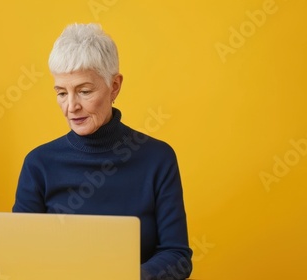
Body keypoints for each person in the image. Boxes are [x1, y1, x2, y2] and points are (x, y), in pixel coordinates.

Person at [12, 23, 192, 280]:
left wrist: (126, 276)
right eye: (61, 93)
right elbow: (19, 253)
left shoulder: (158, 159)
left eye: (84, 91)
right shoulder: (38, 163)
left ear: (114, 86)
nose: (71, 106)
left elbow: (177, 256)